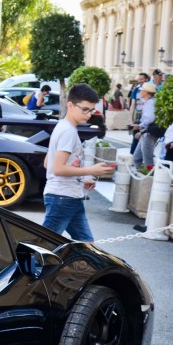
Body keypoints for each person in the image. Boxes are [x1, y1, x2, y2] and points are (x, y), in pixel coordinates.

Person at [42, 83, 116, 241]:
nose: (88, 114)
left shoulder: (63, 126)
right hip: (62, 197)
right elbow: (57, 169)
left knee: (87, 246)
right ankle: (22, 266)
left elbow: (48, 163)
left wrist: (82, 179)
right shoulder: (68, 131)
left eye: (91, 110)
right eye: (84, 109)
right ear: (70, 105)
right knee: (44, 246)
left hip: (68, 197)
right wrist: (91, 171)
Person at [130, 81, 159, 166]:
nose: (140, 92)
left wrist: (139, 125)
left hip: (149, 134)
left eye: (142, 90)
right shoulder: (150, 102)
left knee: (147, 159)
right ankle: (143, 175)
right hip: (146, 132)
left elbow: (149, 119)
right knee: (137, 158)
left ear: (146, 93)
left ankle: (149, 176)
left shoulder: (151, 103)